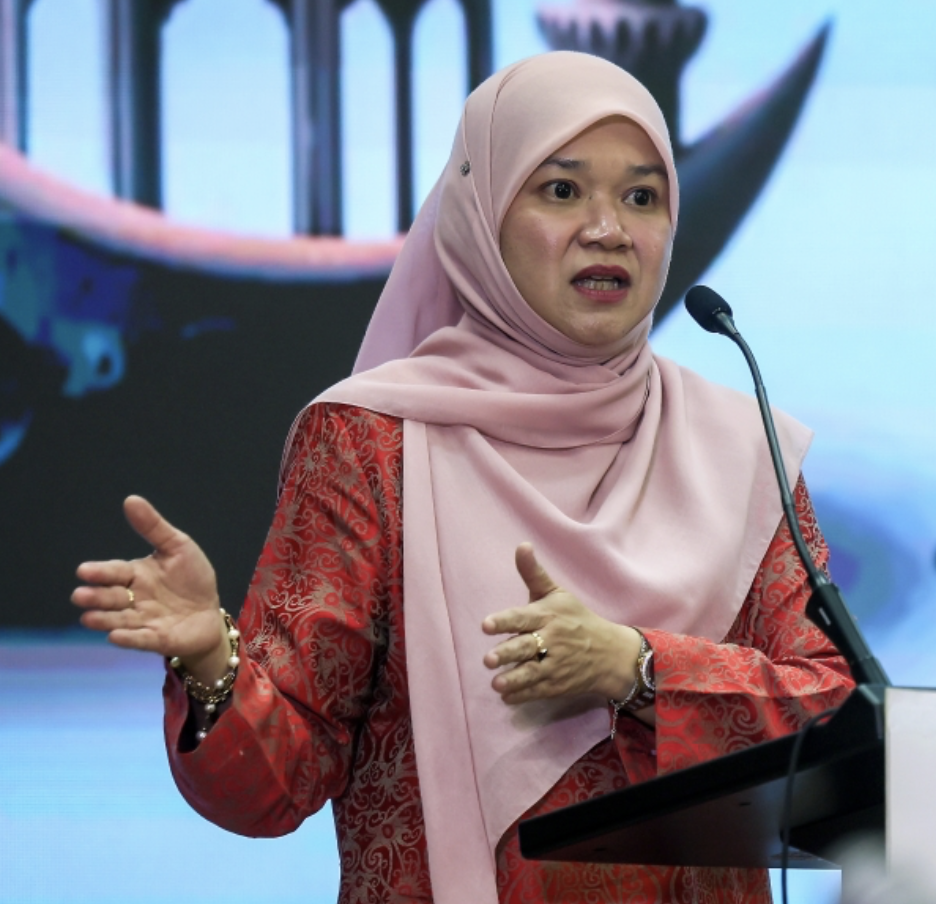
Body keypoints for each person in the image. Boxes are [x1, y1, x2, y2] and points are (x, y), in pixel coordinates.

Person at [72, 51, 854, 903]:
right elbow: (277, 784)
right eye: (562, 190)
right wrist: (210, 660)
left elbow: (839, 719)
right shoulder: (374, 443)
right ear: (480, 216)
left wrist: (636, 667)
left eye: (642, 197)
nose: (608, 229)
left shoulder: (743, 450)